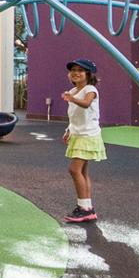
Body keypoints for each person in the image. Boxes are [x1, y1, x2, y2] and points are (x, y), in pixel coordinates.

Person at [60, 58, 104, 223]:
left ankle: (84, 208)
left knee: (74, 170)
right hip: (78, 135)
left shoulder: (90, 89)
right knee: (82, 172)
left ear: (88, 74)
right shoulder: (72, 91)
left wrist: (72, 99)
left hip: (88, 135)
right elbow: (74, 116)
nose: (76, 73)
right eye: (73, 70)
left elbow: (85, 104)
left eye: (80, 70)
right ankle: (87, 207)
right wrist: (68, 130)